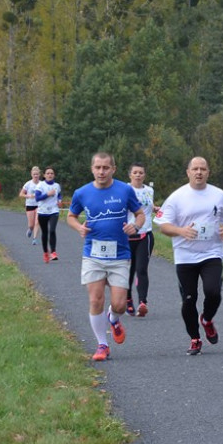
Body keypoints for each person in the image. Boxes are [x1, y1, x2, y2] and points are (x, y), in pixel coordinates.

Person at [66, 152, 144, 362]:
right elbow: (70, 216)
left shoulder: (124, 190)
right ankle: (102, 344)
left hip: (119, 254)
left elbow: (140, 213)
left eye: (105, 168)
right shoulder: (82, 193)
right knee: (95, 299)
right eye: (98, 168)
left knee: (119, 305)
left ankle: (113, 318)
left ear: (113, 169)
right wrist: (78, 228)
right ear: (92, 169)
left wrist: (135, 226)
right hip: (93, 254)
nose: (101, 172)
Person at [158, 157, 223, 355]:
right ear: (188, 172)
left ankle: (207, 319)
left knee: (213, 292)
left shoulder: (219, 195)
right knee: (189, 299)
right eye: (195, 169)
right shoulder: (177, 197)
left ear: (208, 172)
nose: (199, 172)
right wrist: (181, 231)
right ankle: (195, 338)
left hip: (212, 252)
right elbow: (163, 225)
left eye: (203, 169)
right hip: (185, 255)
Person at [125, 163, 156, 318]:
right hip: (128, 234)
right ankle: (128, 298)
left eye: (141, 172)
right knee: (128, 270)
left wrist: (155, 208)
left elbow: (148, 207)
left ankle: (143, 302)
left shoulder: (149, 190)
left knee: (141, 269)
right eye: (135, 172)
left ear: (144, 175)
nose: (138, 175)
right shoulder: (124, 190)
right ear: (130, 175)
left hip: (146, 233)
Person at [34, 167, 62, 262]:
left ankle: (53, 252)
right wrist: (48, 194)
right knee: (45, 232)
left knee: (52, 230)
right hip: (42, 211)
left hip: (54, 210)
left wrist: (59, 200)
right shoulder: (40, 185)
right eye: (48, 173)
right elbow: (37, 198)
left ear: (54, 175)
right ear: (44, 175)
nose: (50, 175)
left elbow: (59, 194)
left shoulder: (57, 185)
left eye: (52, 173)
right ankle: (45, 252)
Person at [20, 166, 42, 243]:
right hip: (30, 205)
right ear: (31, 174)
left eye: (37, 174)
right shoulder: (28, 184)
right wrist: (28, 196)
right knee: (31, 225)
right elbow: (21, 194)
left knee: (37, 222)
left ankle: (34, 238)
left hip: (39, 205)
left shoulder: (42, 184)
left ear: (39, 175)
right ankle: (30, 229)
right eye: (34, 174)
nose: (36, 176)